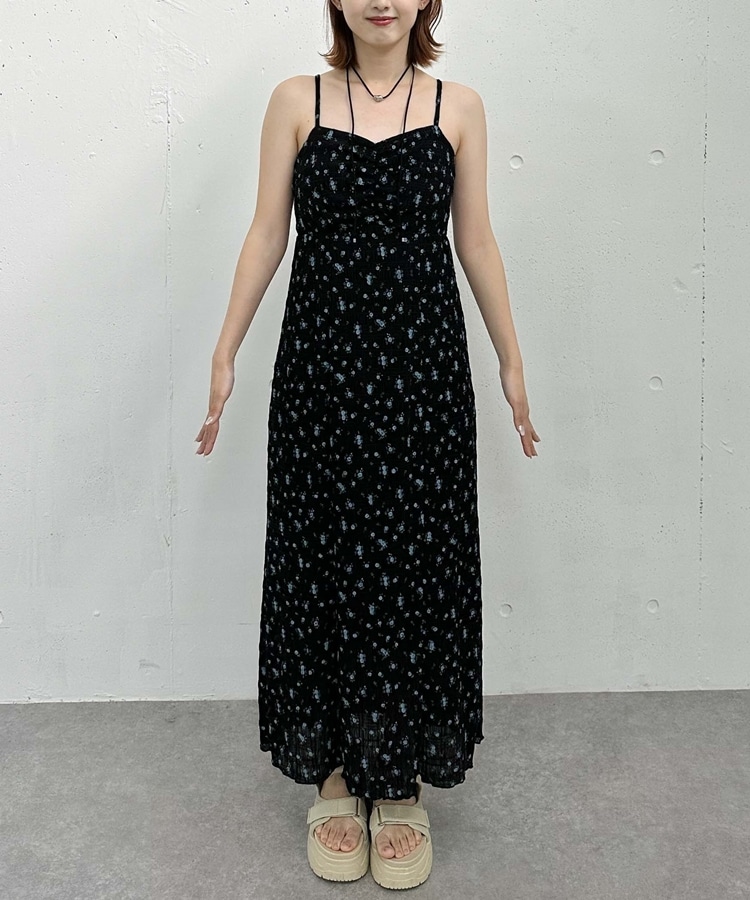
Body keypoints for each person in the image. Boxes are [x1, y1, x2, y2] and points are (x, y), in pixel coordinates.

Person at [195, 0, 540, 889]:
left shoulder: (458, 107)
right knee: (326, 559)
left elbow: (476, 241)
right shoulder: (296, 101)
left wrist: (511, 360)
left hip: (424, 378)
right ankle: (337, 779)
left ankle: (401, 783)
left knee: (415, 563)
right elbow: (267, 233)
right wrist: (226, 350)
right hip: (322, 376)